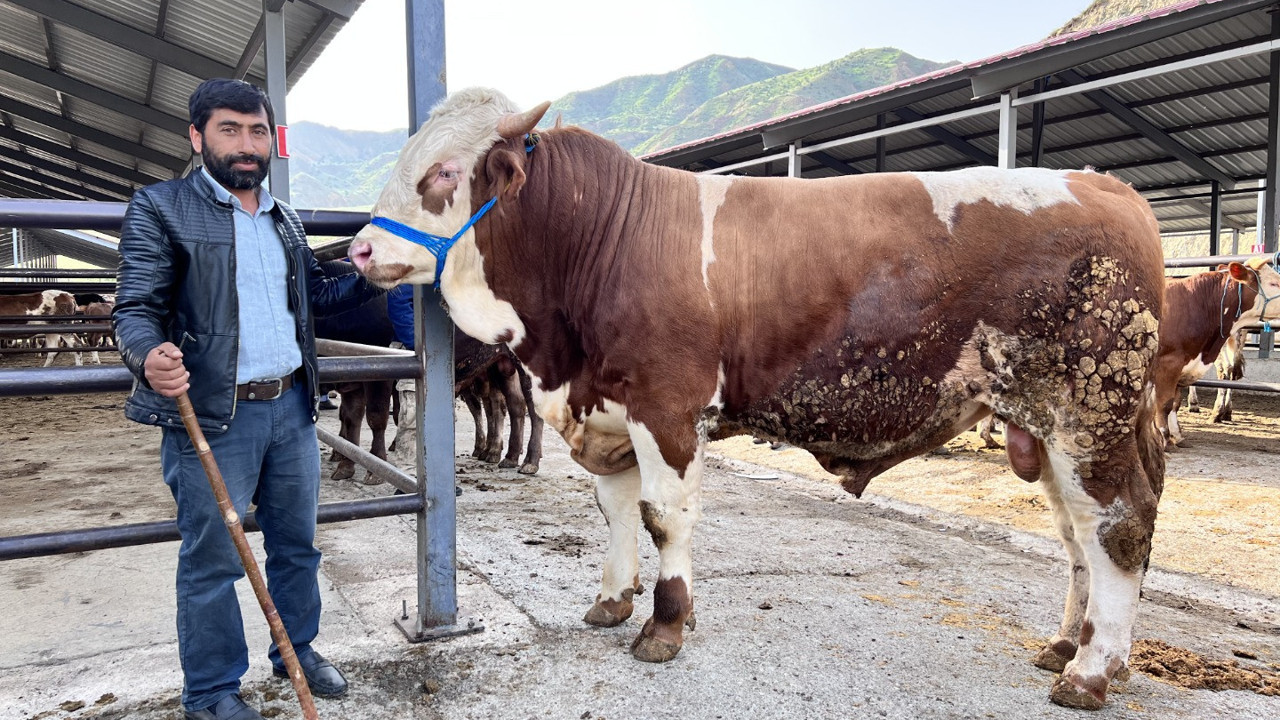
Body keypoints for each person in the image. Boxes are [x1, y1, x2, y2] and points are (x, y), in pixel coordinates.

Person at [113, 78, 383, 720]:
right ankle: (210, 691)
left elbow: (316, 299)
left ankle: (298, 652)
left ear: (271, 139)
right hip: (213, 414)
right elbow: (134, 309)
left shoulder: (282, 216)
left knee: (298, 545)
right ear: (197, 135)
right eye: (229, 129)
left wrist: (374, 275)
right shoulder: (161, 207)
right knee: (212, 560)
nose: (245, 143)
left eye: (256, 130)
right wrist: (148, 356)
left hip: (291, 411)